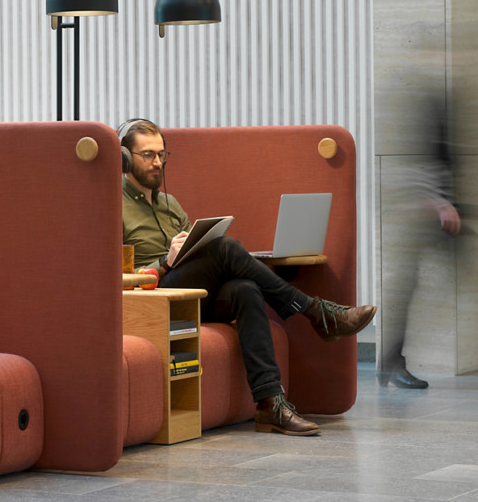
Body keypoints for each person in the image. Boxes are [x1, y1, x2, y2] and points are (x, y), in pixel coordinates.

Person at [119, 118, 377, 436]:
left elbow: (195, 255)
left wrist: (191, 249)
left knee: (245, 289)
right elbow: (113, 274)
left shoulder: (169, 204)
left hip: (190, 295)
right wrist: (165, 262)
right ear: (125, 158)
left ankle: (270, 403)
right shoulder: (114, 206)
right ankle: (315, 311)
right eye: (147, 155)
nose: (158, 162)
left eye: (162, 154)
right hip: (151, 299)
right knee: (225, 247)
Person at [381, 96, 461, 389]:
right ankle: (391, 361)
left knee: (407, 288)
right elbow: (409, 171)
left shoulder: (434, 111)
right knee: (404, 289)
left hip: (433, 216)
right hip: (417, 217)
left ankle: (391, 362)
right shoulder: (418, 114)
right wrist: (438, 204)